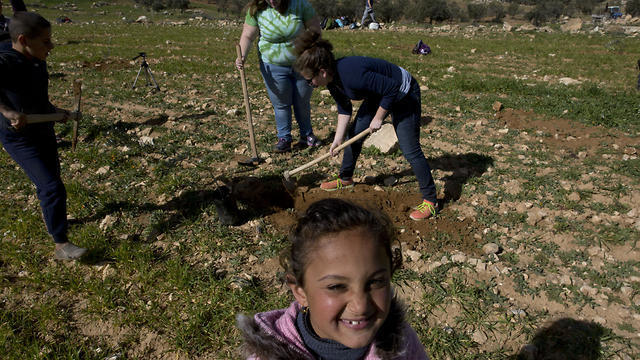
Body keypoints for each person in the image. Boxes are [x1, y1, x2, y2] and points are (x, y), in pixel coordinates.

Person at [237, 198, 429, 359]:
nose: (361, 306)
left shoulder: (402, 343)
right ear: (300, 291)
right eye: (336, 286)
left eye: (375, 282)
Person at [293, 30, 439, 220]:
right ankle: (345, 178)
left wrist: (378, 118)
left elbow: (392, 89)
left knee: (410, 148)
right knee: (353, 134)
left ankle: (430, 200)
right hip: (379, 93)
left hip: (404, 92)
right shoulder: (331, 81)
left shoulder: (351, 74)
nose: (310, 84)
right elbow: (344, 108)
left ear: (322, 71)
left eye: (309, 80)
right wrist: (337, 140)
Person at [0, 12, 86, 260]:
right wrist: (7, 111)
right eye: (45, 41)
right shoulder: (6, 61)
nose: (51, 46)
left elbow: (38, 99)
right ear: (24, 39)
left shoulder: (38, 62)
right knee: (51, 186)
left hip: (43, 129)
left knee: (52, 182)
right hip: (19, 137)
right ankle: (61, 246)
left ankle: (53, 217)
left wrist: (59, 113)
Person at [236, 0, 322, 153]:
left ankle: (307, 135)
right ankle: (284, 139)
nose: (272, 1)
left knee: (302, 100)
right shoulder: (257, 9)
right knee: (281, 102)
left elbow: (315, 30)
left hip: (303, 63)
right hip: (272, 64)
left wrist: (316, 55)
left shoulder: (301, 5)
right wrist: (242, 56)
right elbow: (248, 36)